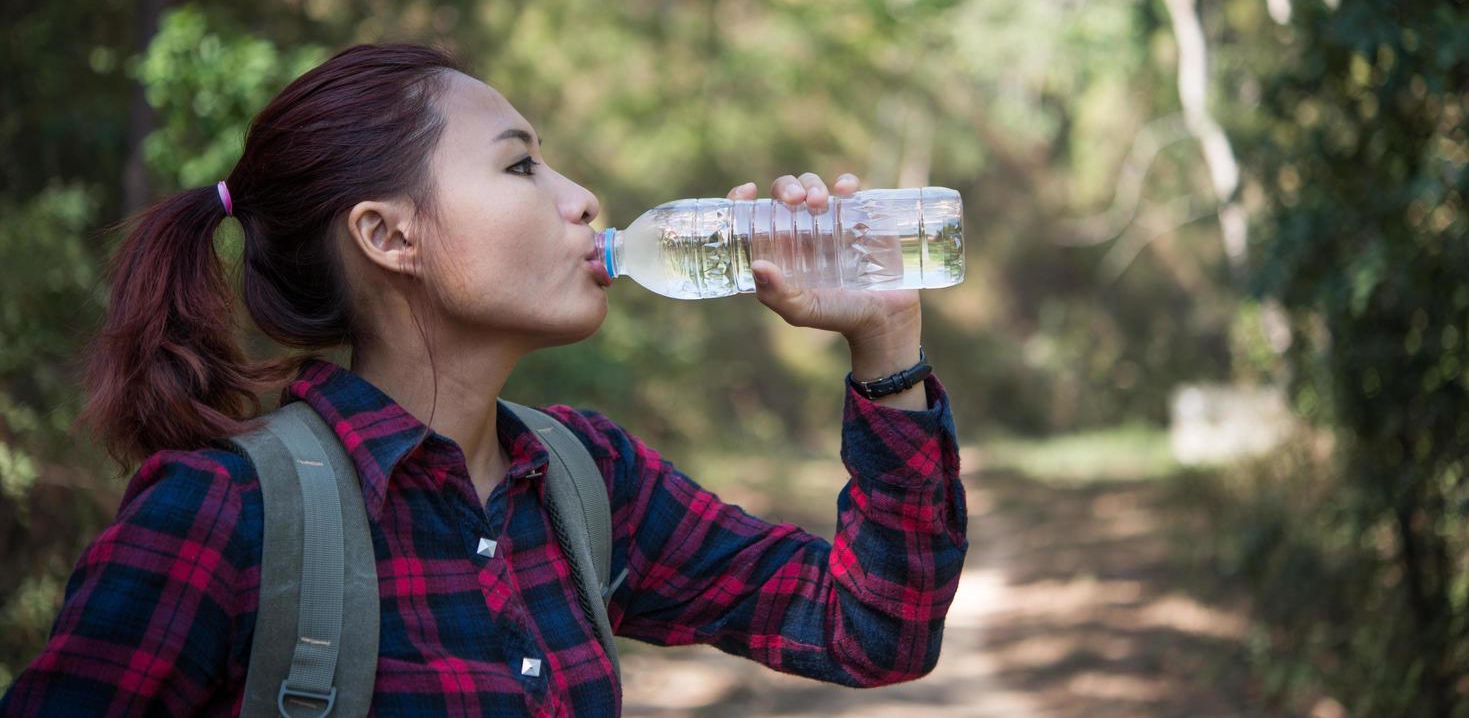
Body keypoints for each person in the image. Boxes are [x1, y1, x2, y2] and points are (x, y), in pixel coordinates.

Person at [0, 44, 967, 716]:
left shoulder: (586, 480)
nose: (581, 198)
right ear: (389, 235)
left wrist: (885, 344)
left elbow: (872, 632)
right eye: (521, 167)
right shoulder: (219, 516)